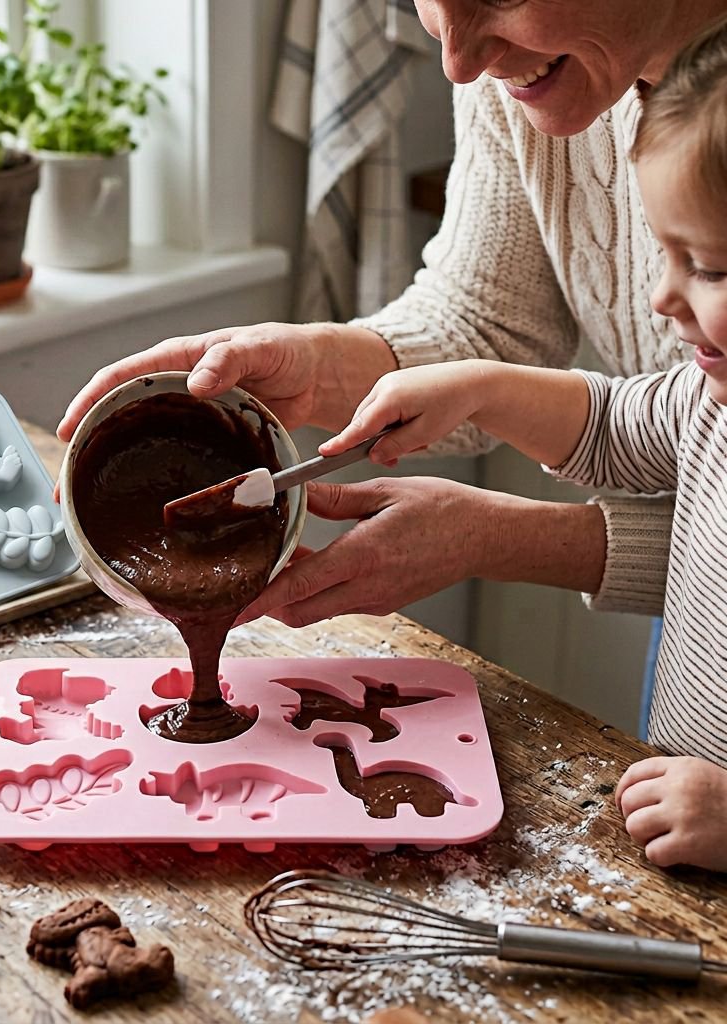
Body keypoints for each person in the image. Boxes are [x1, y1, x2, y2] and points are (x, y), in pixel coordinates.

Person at [60, 0, 727, 631]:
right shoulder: (519, 60)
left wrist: (499, 537)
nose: (458, 64)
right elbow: (492, 325)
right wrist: (322, 369)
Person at [304, 17, 727, 871]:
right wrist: (480, 388)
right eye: (663, 256)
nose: (661, 299)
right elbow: (614, 426)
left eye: (709, 268)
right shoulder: (711, 399)